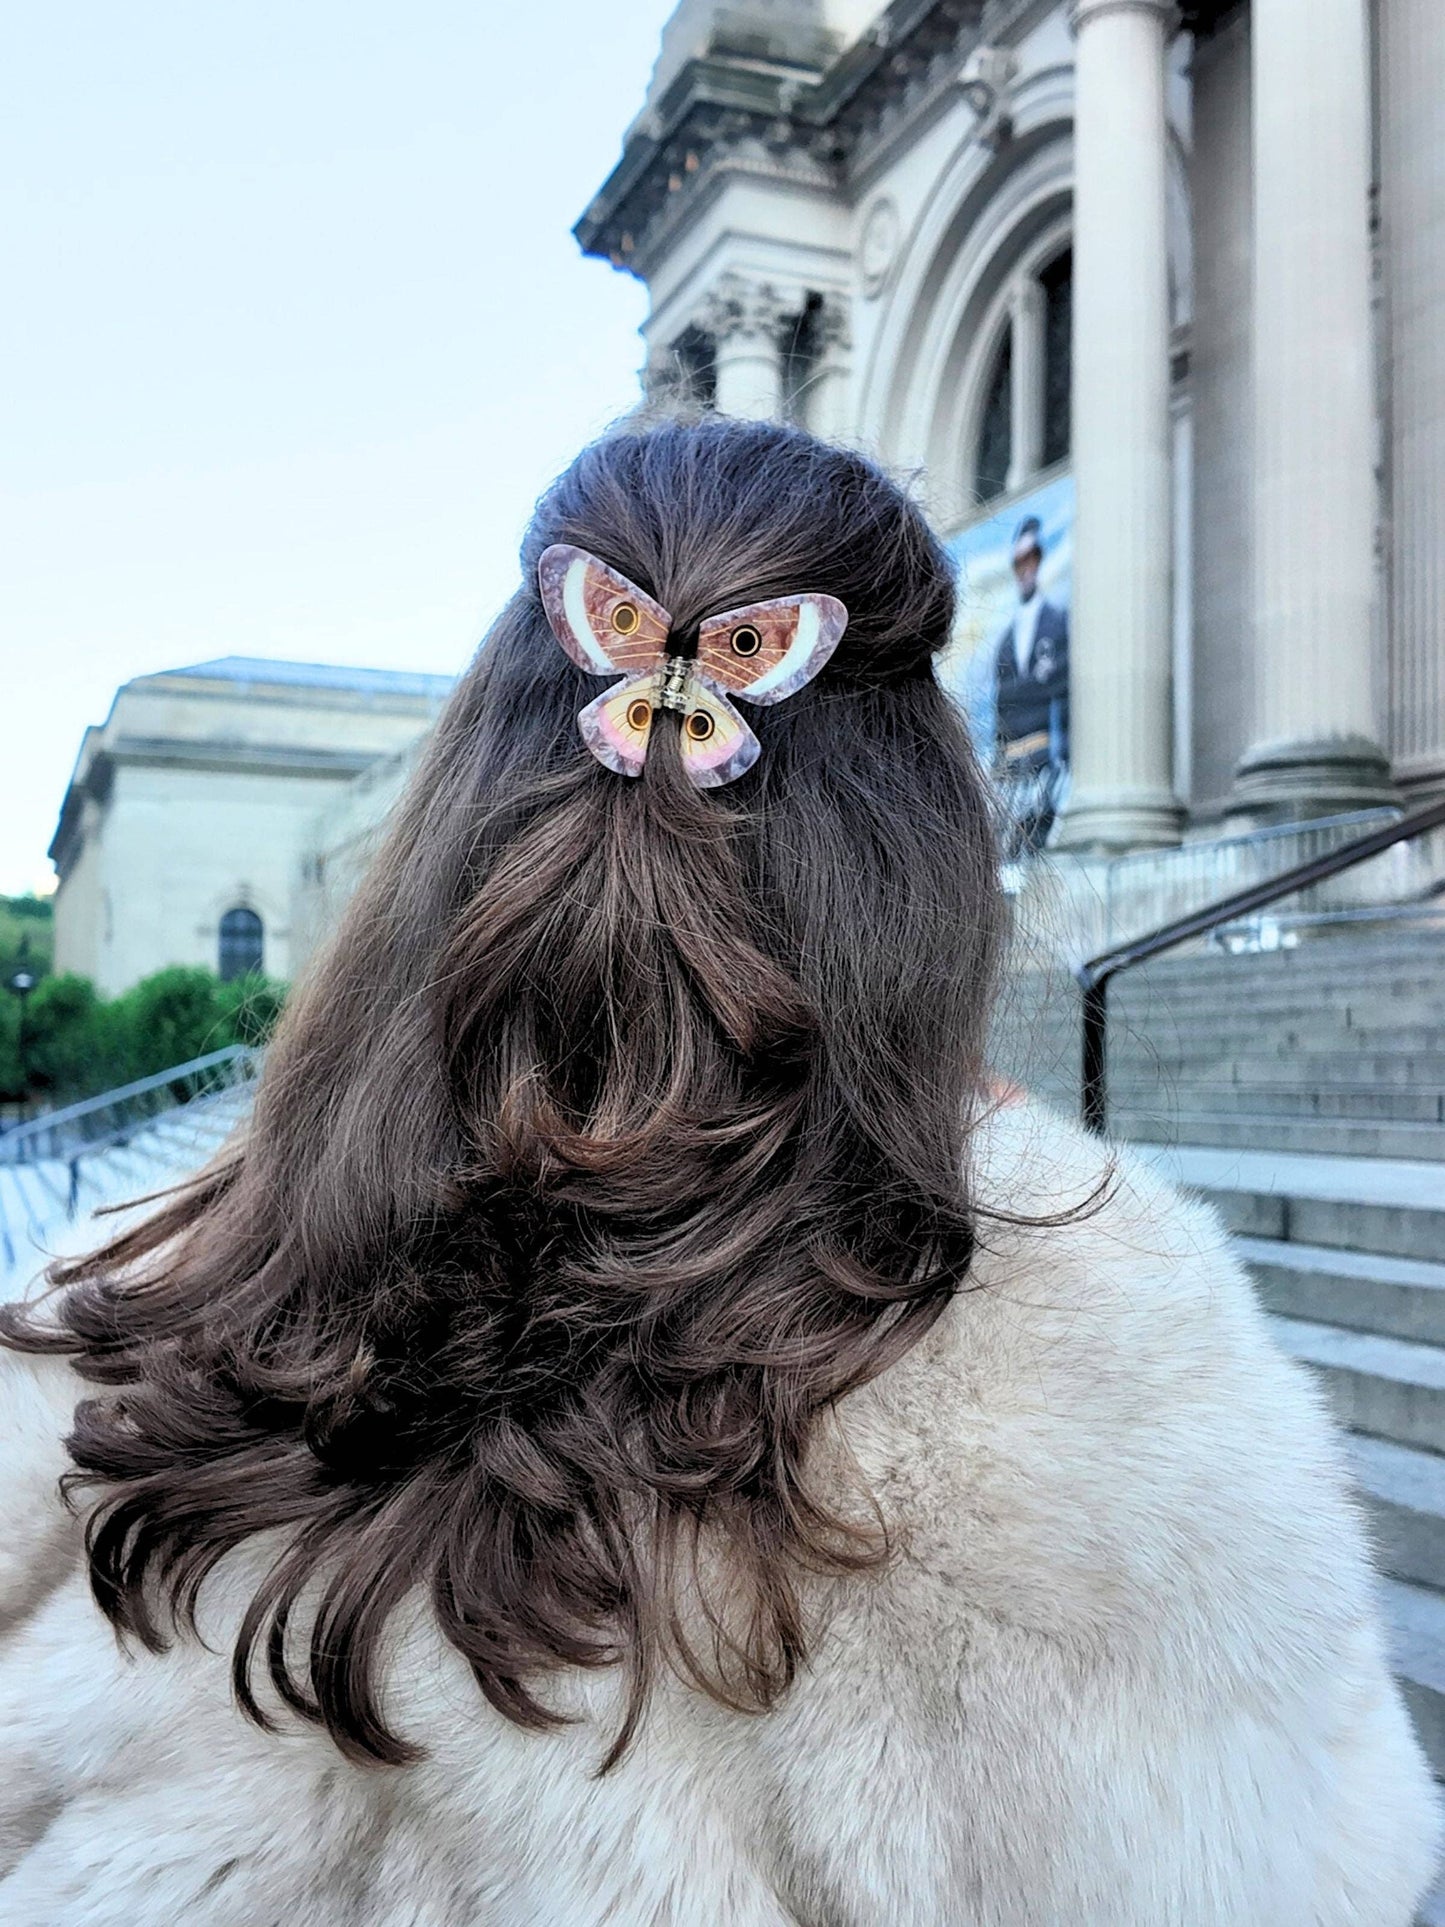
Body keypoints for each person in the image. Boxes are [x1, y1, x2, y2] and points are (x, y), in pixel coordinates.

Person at [0, 418, 1437, 1926]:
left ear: (448, 832)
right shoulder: (1112, 1358)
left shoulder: (116, 1320)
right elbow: (1317, 1864)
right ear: (921, 854)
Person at [994, 513, 1069, 854]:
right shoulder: (1005, 642)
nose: (1026, 568)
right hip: (1013, 767)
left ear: (1040, 560)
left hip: (1047, 758)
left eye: (1031, 558)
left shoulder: (1057, 622)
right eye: (1019, 561)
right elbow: (1000, 708)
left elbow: (1062, 693)